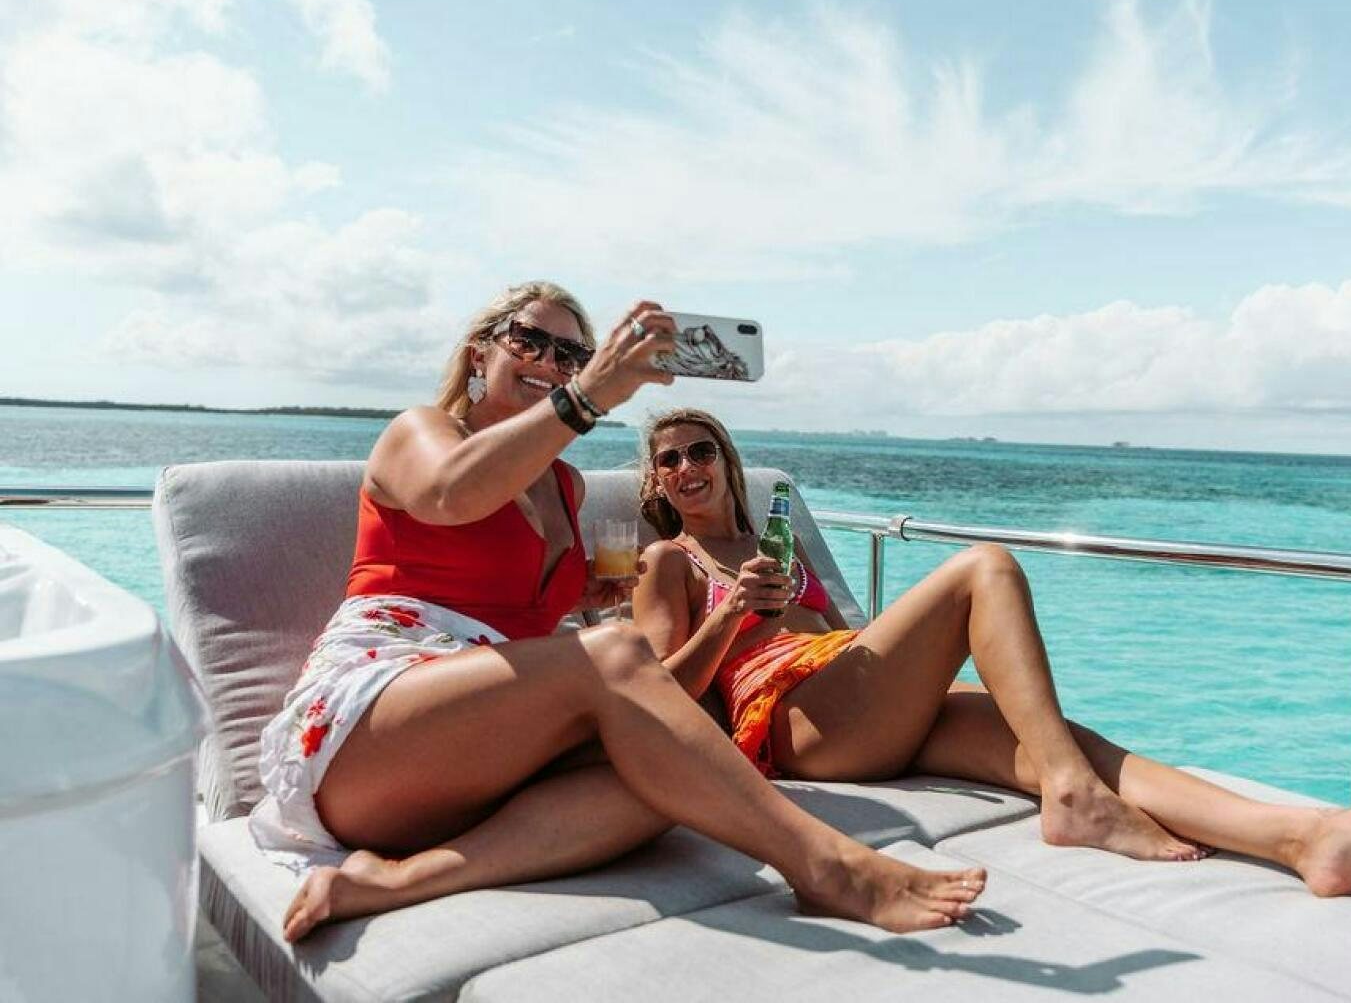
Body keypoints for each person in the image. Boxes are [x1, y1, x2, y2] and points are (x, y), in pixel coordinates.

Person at [251, 285, 985, 943]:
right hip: (373, 726)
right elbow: (451, 496)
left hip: (473, 753)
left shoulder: (564, 484)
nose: (549, 359)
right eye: (528, 339)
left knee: (669, 776)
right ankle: (826, 865)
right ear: (480, 352)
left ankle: (398, 881)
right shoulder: (423, 430)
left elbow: (510, 607)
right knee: (617, 656)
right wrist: (588, 396)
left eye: (570, 353)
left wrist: (580, 596)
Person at [632, 408, 1351, 897]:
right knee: (984, 565)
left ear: (725, 463)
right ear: (657, 485)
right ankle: (1076, 802)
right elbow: (662, 692)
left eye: (699, 450)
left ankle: (1307, 840)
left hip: (853, 698)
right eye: (667, 459)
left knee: (1064, 739)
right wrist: (730, 613)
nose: (685, 466)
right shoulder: (668, 561)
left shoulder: (776, 545)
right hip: (796, 727)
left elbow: (835, 641)